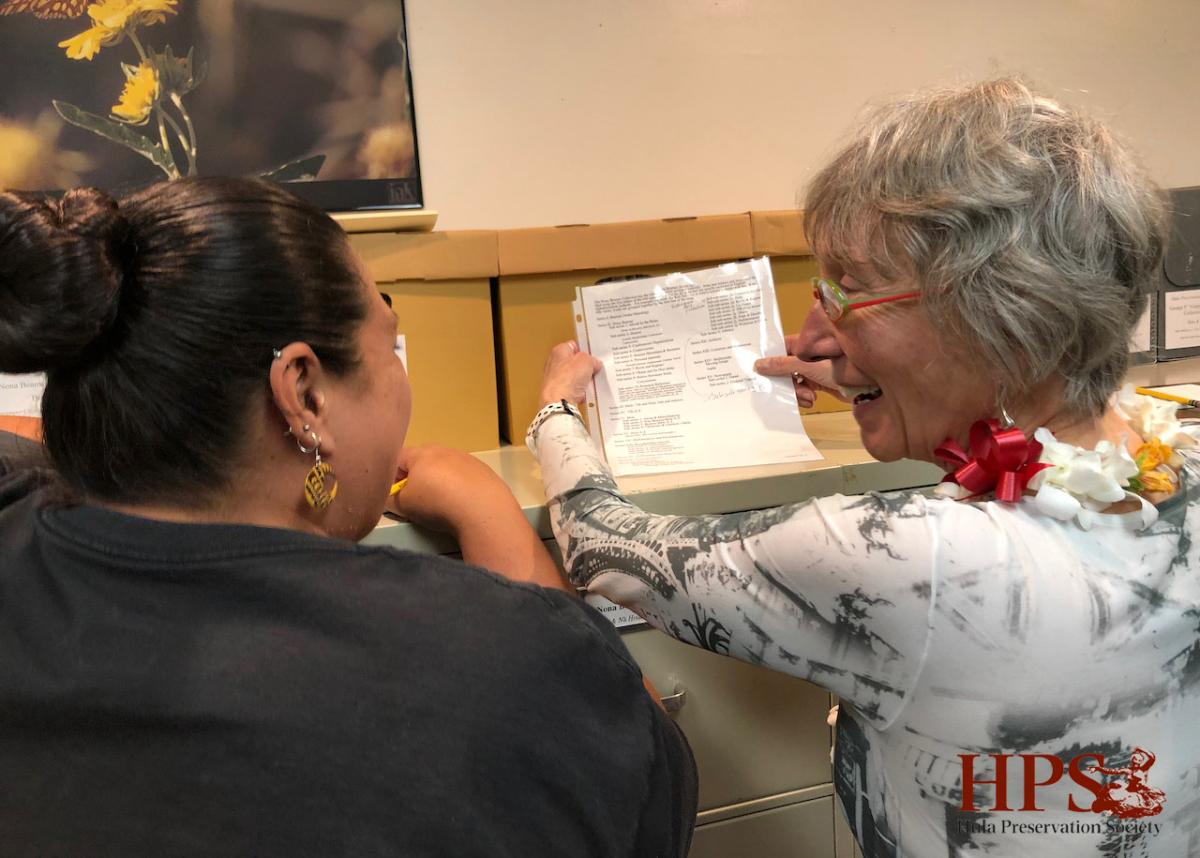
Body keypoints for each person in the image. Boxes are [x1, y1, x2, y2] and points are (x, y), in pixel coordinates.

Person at [529, 79, 1199, 856]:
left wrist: (557, 411)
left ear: (991, 306)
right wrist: (876, 378)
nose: (818, 323)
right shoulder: (1168, 462)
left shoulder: (916, 558)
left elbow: (605, 547)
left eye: (848, 288)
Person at [0, 177, 696, 857]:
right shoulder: (510, 657)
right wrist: (489, 513)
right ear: (302, 392)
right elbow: (653, 789)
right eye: (387, 343)